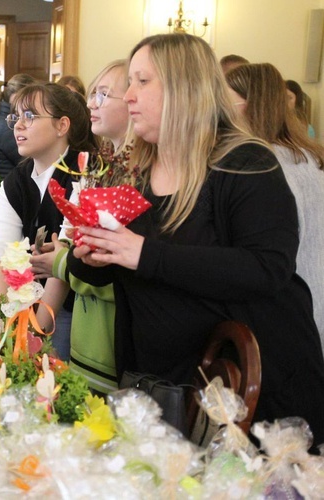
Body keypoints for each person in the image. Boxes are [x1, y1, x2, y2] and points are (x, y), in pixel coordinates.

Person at [51, 33, 324, 446]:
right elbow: (122, 271)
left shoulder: (244, 162)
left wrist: (142, 254)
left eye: (142, 81)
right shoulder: (140, 169)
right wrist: (90, 258)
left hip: (252, 395)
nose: (128, 96)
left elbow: (267, 268)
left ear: (185, 87)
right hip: (164, 386)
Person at [31, 60, 131, 393]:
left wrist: (60, 261)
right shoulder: (97, 169)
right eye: (92, 95)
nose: (90, 104)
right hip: (86, 337)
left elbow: (118, 273)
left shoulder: (135, 176)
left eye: (103, 95)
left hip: (115, 342)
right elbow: (68, 241)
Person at [0, 83, 98, 362]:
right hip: (28, 298)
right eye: (16, 117)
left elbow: (65, 254)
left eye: (30, 116)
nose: (18, 126)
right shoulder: (15, 181)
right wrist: (7, 322)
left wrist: (34, 334)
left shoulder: (84, 175)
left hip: (74, 303)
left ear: (62, 126)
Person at [226, 63, 324, 347]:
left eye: (224, 101)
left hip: (291, 310)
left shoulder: (260, 165)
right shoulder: (311, 157)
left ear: (247, 107)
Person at [0, 74, 36, 180]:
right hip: (9, 189)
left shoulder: (1, 121)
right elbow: (34, 166)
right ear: (16, 98)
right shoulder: (9, 127)